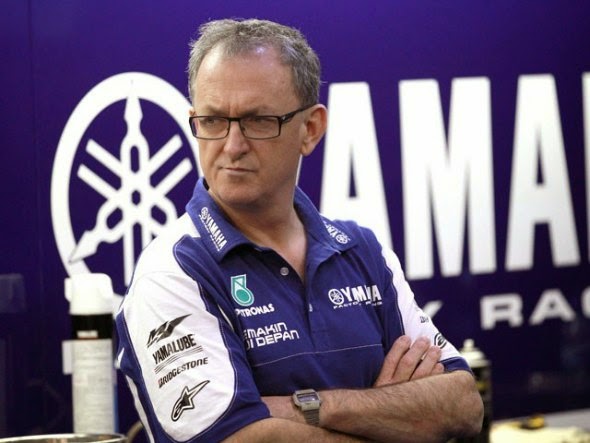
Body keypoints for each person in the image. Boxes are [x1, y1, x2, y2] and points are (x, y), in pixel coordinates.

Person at [115, 18, 483, 442]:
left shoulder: (362, 251)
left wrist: (303, 408)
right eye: (213, 121)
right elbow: (238, 439)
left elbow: (463, 403)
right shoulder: (173, 272)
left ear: (310, 129)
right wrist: (394, 418)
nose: (232, 146)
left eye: (258, 121)